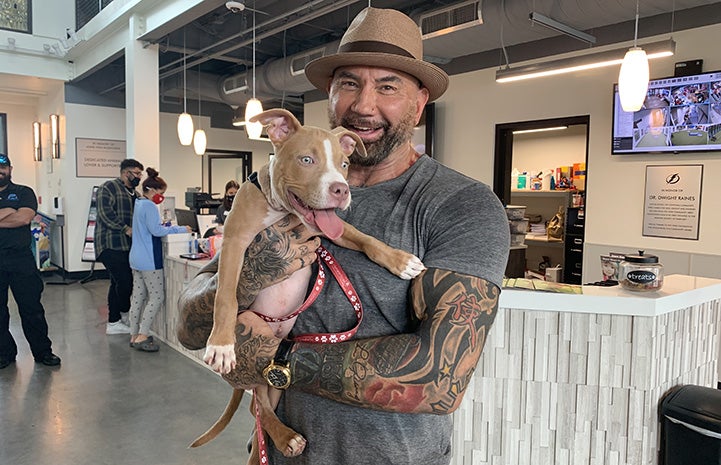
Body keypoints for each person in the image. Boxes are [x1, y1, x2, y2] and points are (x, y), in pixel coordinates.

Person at [177, 7, 509, 465]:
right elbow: (188, 326)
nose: (363, 105)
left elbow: (440, 379)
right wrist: (250, 275)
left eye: (388, 86)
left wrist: (276, 362)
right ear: (331, 96)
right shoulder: (278, 189)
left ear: (419, 102)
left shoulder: (460, 206)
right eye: (348, 83)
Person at [0, 153, 61, 369]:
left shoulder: (24, 192)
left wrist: (12, 213)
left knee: (31, 308)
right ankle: (4, 353)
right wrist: (8, 212)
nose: (1, 171)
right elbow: (15, 217)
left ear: (10, 169)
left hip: (20, 259)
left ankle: (43, 352)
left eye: (4, 167)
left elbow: (25, 217)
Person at [128, 168, 190, 352]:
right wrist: (180, 230)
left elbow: (150, 228)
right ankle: (143, 335)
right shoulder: (149, 206)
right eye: (161, 193)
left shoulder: (139, 203)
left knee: (138, 296)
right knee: (156, 296)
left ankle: (133, 334)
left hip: (136, 257)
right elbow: (156, 231)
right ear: (153, 190)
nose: (161, 197)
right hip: (149, 260)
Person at [95, 158, 144, 335]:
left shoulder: (136, 195)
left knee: (117, 282)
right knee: (124, 281)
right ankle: (122, 313)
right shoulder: (108, 188)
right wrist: (125, 228)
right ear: (125, 173)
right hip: (110, 244)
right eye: (136, 173)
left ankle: (114, 321)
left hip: (128, 246)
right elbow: (105, 213)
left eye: (140, 174)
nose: (139, 177)